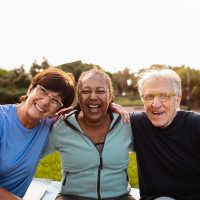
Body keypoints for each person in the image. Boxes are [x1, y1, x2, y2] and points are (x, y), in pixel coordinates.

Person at [43, 68, 135, 200]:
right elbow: (31, 156)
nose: (93, 97)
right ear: (78, 96)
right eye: (86, 91)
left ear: (110, 95)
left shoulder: (126, 123)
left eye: (100, 91)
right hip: (71, 197)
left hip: (120, 197)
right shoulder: (61, 126)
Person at [0, 68, 76, 200]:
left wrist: (111, 107)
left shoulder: (49, 125)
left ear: (58, 109)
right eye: (43, 91)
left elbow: (88, 113)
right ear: (31, 88)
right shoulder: (2, 118)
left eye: (55, 100)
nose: (46, 101)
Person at [130, 68, 200, 200]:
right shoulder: (137, 123)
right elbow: (100, 116)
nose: (155, 104)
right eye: (149, 97)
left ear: (178, 100)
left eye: (164, 95)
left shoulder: (195, 125)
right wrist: (112, 107)